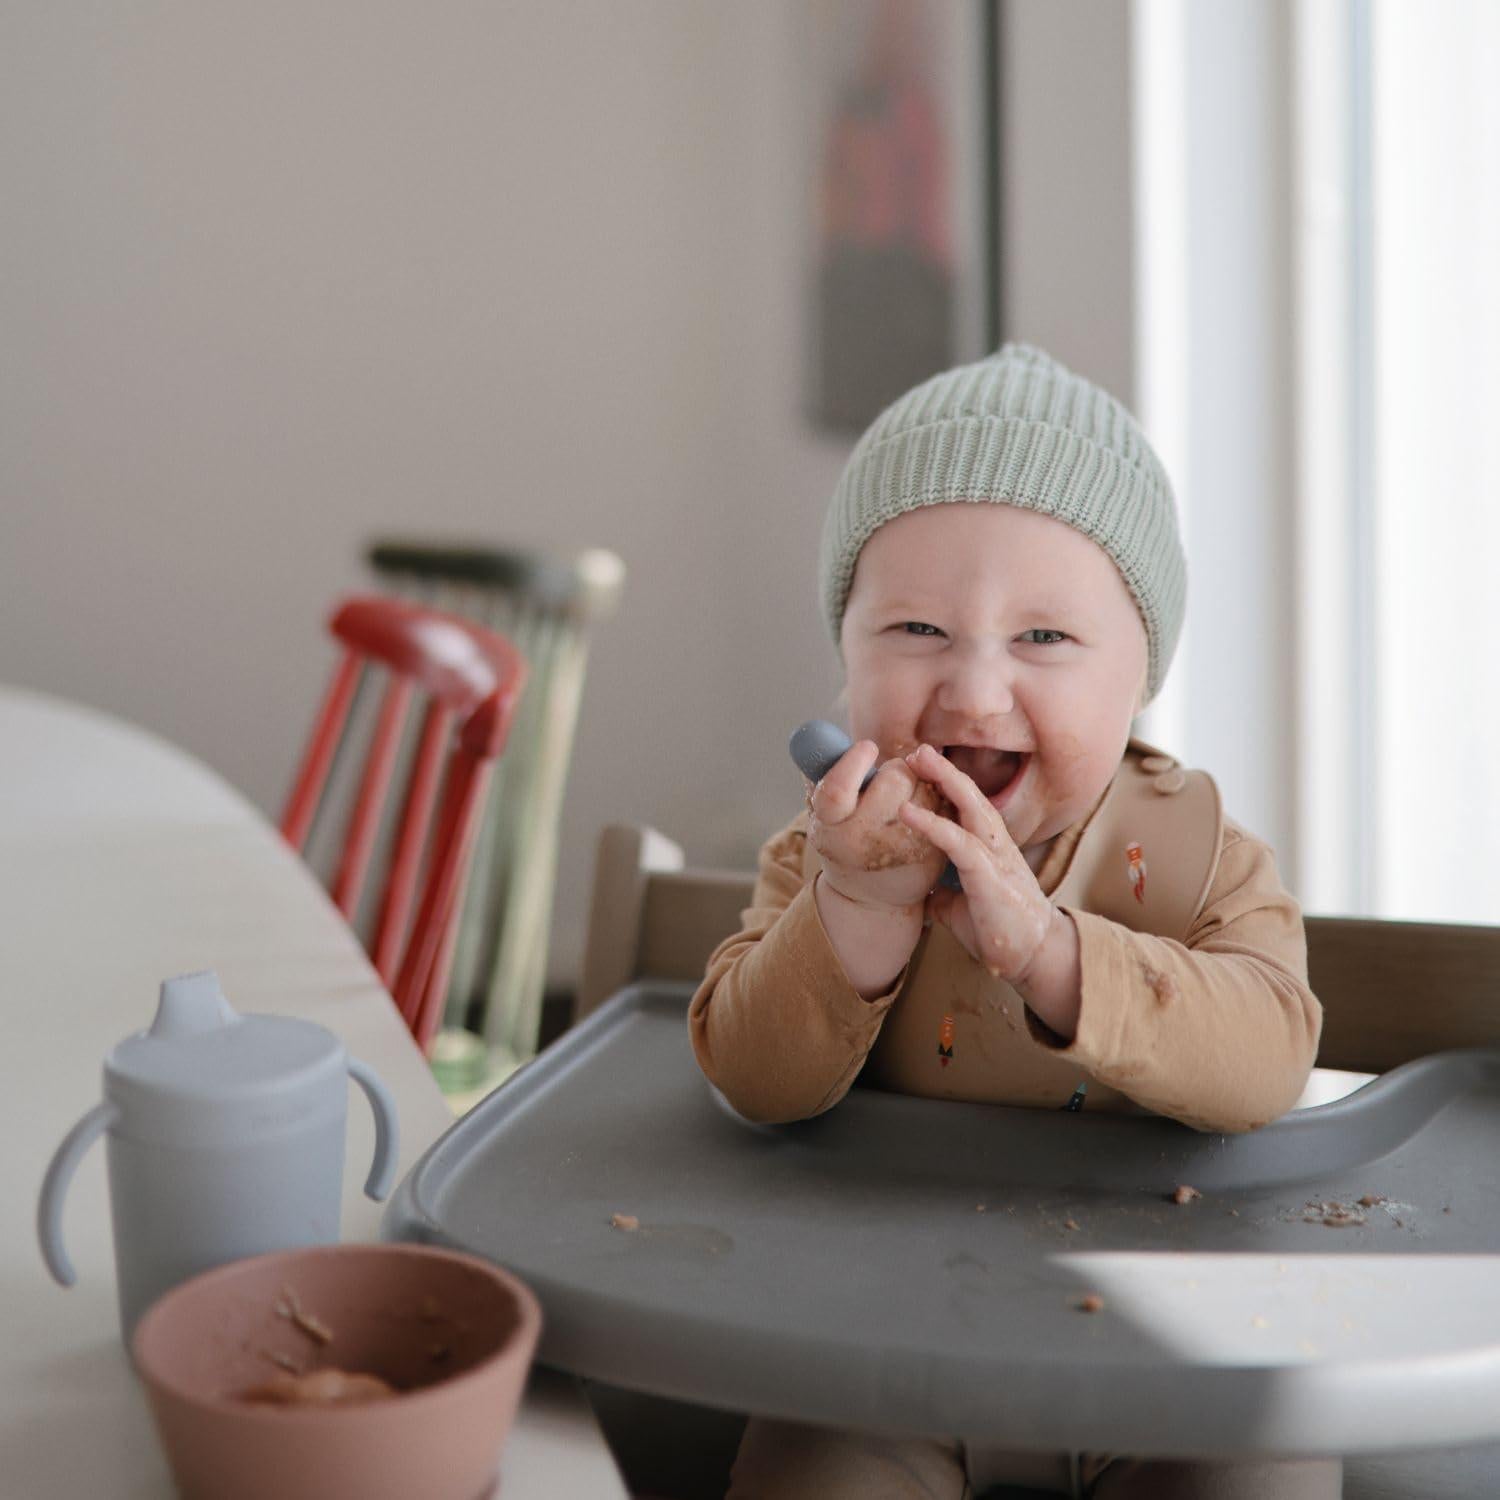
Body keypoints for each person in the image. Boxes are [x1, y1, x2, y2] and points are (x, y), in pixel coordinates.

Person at [688, 344, 1339, 1499]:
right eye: (915, 630)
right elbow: (755, 1077)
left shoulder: (1202, 858)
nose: (976, 692)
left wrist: (1048, 953)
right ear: (843, 658)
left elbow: (1269, 1057)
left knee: (1268, 1453)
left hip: (1180, 1344)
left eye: (1044, 638)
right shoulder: (822, 856)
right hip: (874, 1341)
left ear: (1140, 677)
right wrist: (860, 904)